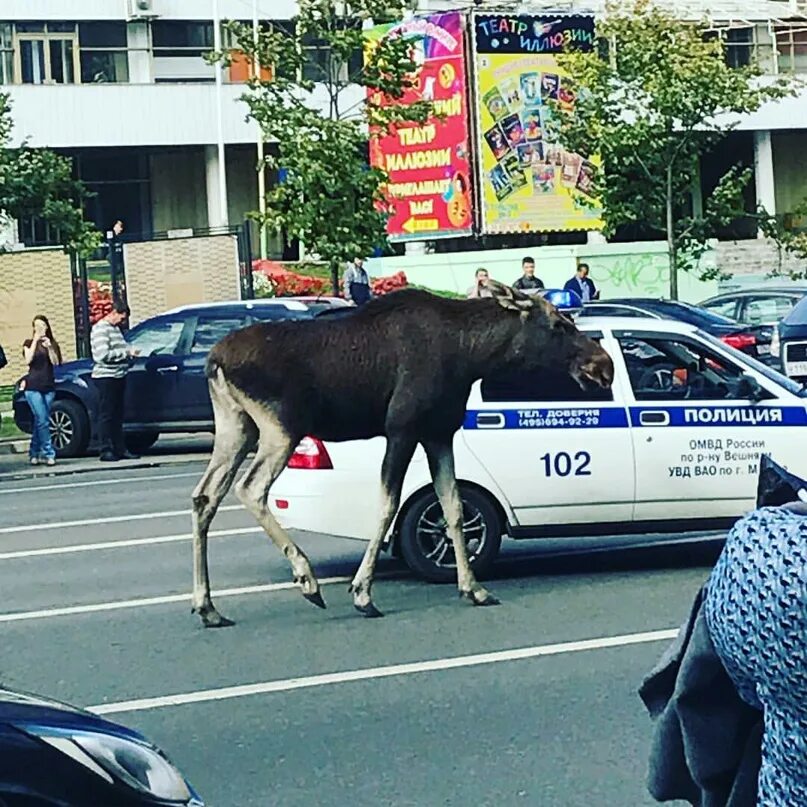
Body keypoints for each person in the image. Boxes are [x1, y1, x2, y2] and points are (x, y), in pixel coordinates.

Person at [91, 302, 140, 462]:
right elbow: (102, 355)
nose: (122, 321)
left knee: (117, 414)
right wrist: (126, 352)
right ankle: (105, 449)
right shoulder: (100, 329)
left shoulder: (115, 329)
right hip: (106, 377)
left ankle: (120, 448)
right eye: (121, 317)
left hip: (119, 375)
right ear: (113, 312)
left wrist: (129, 355)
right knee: (107, 414)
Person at [21, 315, 62, 466]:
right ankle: (49, 453)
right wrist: (35, 341)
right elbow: (28, 360)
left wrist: (50, 347)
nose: (40, 329)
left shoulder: (51, 343)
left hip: (48, 386)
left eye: (43, 326)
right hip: (33, 387)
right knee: (43, 420)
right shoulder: (28, 343)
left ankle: (34, 451)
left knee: (41, 421)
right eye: (37, 326)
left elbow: (56, 362)